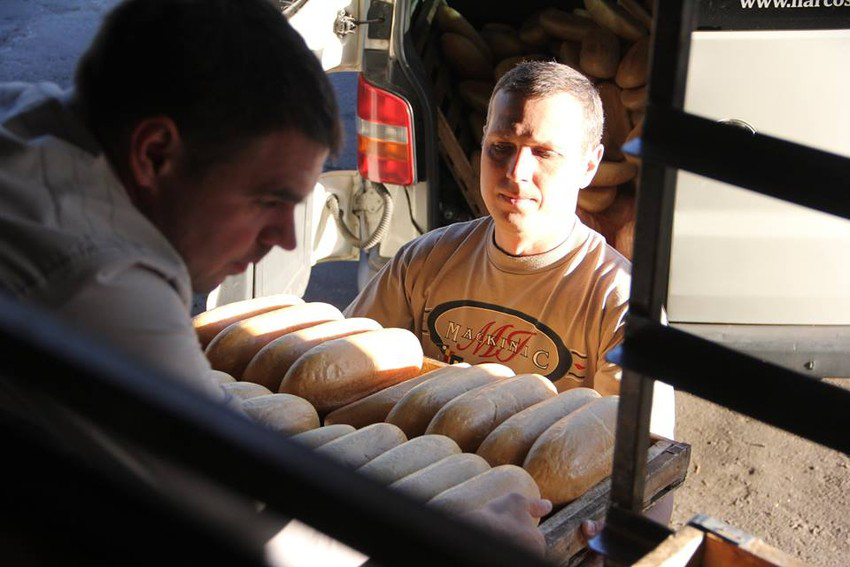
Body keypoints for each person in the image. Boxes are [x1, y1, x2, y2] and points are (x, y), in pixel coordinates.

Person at [0, 0, 548, 560]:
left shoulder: (26, 122)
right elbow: (261, 538)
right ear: (155, 152)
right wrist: (449, 542)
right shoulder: (103, 285)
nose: (286, 238)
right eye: (268, 199)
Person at [345, 61, 676, 537]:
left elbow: (651, 475)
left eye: (543, 153)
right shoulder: (423, 262)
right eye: (501, 147)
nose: (516, 172)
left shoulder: (621, 303)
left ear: (589, 165)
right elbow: (343, 380)